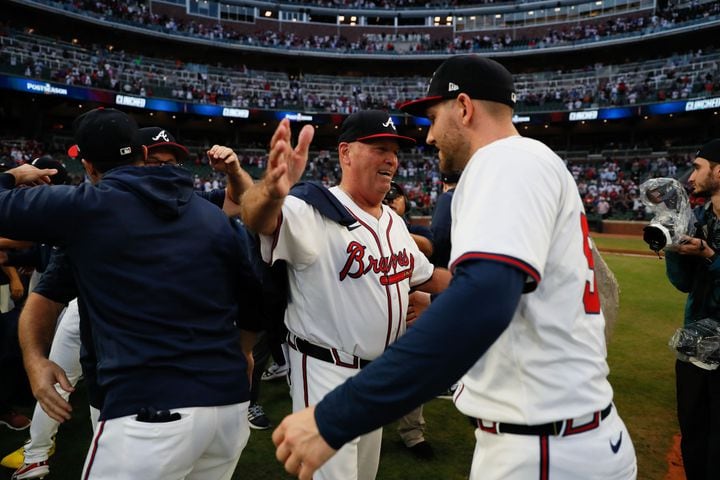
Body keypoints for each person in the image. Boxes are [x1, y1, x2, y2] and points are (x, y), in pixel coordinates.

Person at [271, 54, 637, 480]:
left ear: (463, 108)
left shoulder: (504, 161)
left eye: (432, 117)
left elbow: (481, 301)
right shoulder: (532, 161)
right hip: (566, 434)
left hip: (543, 447)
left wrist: (335, 415)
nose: (428, 137)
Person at [0, 107, 263, 480]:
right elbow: (256, 299)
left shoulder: (84, 208)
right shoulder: (210, 215)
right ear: (140, 155)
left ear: (88, 167)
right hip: (227, 407)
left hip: (148, 411)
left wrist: (13, 175)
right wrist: (245, 350)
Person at [241, 110, 451, 480]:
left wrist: (500, 280)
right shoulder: (311, 209)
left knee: (364, 474)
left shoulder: (393, 222)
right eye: (379, 148)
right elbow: (259, 219)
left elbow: (430, 277)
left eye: (395, 151)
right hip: (325, 371)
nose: (391, 159)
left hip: (376, 378)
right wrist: (269, 191)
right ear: (346, 153)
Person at [664, 138, 720, 480]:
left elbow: (709, 263)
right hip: (694, 345)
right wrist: (671, 247)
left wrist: (710, 256)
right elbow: (684, 283)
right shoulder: (697, 218)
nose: (690, 177)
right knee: (694, 436)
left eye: (698, 167)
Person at [382, 182, 435, 459]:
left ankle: (412, 434)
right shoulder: (358, 228)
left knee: (413, 376)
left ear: (406, 202)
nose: (390, 199)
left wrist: (393, 229)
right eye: (386, 195)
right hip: (375, 316)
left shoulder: (416, 229)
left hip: (410, 316)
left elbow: (427, 246)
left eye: (396, 195)